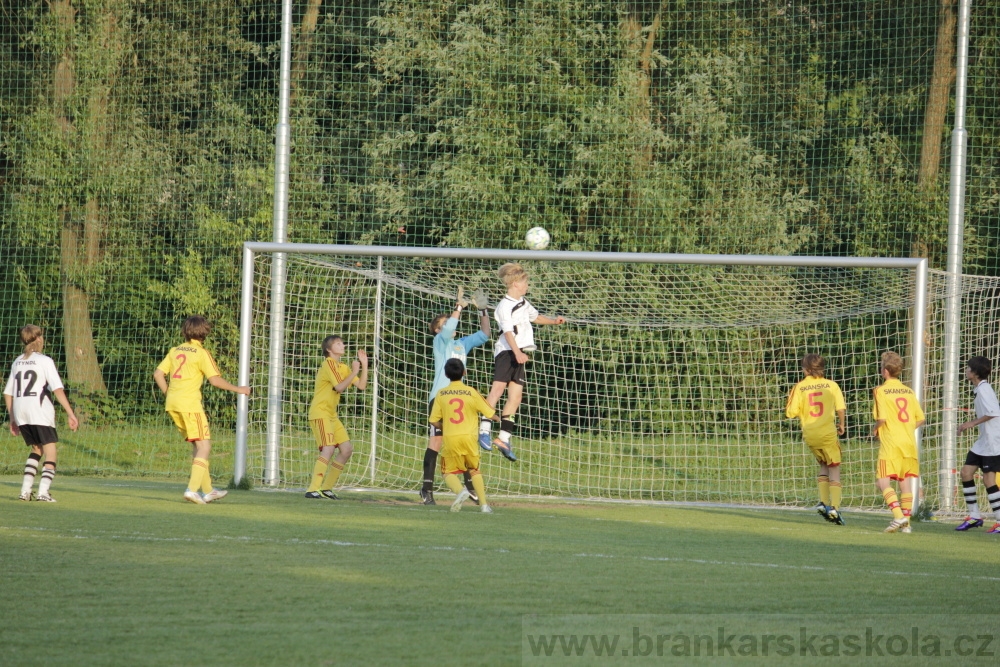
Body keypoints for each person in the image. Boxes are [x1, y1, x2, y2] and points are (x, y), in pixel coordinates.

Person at [154, 316, 250, 504]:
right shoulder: (201, 353)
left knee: (198, 446)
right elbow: (215, 380)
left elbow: (158, 374)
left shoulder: (175, 350)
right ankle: (191, 490)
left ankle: (208, 490)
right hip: (190, 405)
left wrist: (169, 394)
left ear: (185, 331)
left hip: (173, 403)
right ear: (206, 332)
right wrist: (239, 389)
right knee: (205, 446)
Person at [478, 263, 565, 461]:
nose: (527, 285)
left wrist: (553, 321)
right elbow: (508, 332)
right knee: (497, 391)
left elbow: (535, 317)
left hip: (519, 353)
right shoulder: (504, 306)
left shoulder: (524, 303)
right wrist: (517, 352)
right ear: (516, 283)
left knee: (516, 398)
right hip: (508, 352)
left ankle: (503, 438)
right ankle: (484, 429)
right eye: (525, 282)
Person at [421, 288, 491, 505]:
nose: (450, 324)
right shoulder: (440, 343)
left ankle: (470, 488)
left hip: (459, 399)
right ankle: (427, 489)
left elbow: (485, 334)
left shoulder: (461, 344)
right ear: (437, 330)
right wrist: (458, 307)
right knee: (436, 442)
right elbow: (451, 326)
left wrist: (483, 311)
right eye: (444, 323)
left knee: (463, 441)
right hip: (440, 400)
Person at [5, 325, 79, 502]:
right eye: (41, 337)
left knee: (36, 448)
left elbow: (8, 392)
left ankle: (25, 491)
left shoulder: (17, 362)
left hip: (21, 411)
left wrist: (12, 418)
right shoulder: (45, 361)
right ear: (38, 339)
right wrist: (71, 413)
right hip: (39, 410)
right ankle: (43, 492)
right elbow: (57, 389)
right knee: (50, 450)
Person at [430, 359, 500, 512]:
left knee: (447, 471)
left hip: (451, 438)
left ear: (446, 374)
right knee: (474, 469)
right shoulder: (471, 392)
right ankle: (484, 505)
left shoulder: (441, 394)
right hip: (469, 438)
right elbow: (489, 412)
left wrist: (446, 427)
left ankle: (461, 491)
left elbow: (433, 420)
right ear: (464, 372)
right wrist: (501, 419)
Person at [785, 354, 847, 524]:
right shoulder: (831, 385)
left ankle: (822, 502)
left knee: (823, 464)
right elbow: (840, 408)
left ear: (806, 369)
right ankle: (834, 506)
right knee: (834, 467)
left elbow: (790, 412)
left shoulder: (800, 386)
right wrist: (842, 424)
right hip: (827, 433)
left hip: (810, 435)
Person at [305, 335, 368, 499]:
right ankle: (312, 489)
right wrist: (355, 370)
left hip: (331, 415)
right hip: (320, 412)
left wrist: (364, 366)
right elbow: (339, 387)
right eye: (338, 344)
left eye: (343, 343)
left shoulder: (343, 366)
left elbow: (361, 386)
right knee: (329, 448)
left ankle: (326, 488)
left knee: (346, 450)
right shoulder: (329, 364)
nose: (342, 345)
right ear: (329, 349)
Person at [871, 351, 925, 533]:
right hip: (909, 442)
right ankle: (907, 525)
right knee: (904, 483)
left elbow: (882, 418)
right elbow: (920, 419)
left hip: (891, 443)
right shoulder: (909, 391)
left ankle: (898, 516)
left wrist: (875, 429)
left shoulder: (880, 390)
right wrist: (906, 429)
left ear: (885, 371)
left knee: (882, 482)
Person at [954, 356, 1000, 532]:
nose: (965, 371)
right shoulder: (980, 389)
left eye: (967, 368)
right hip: (983, 442)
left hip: (992, 442)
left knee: (989, 479)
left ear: (974, 373)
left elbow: (993, 412)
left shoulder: (985, 390)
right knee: (966, 472)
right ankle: (974, 516)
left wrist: (970, 423)